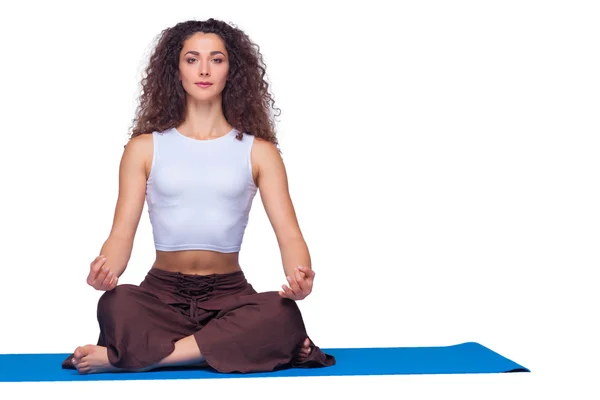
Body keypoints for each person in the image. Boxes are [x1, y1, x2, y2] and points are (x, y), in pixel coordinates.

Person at [61, 18, 336, 374]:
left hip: (231, 296)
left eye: (216, 59)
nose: (204, 70)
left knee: (281, 314)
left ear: (231, 70)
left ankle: (131, 358)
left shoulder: (260, 151)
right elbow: (120, 235)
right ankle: (221, 348)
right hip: (160, 295)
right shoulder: (144, 148)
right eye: (192, 59)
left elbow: (289, 234)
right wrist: (104, 273)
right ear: (176, 69)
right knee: (117, 303)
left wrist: (300, 280)